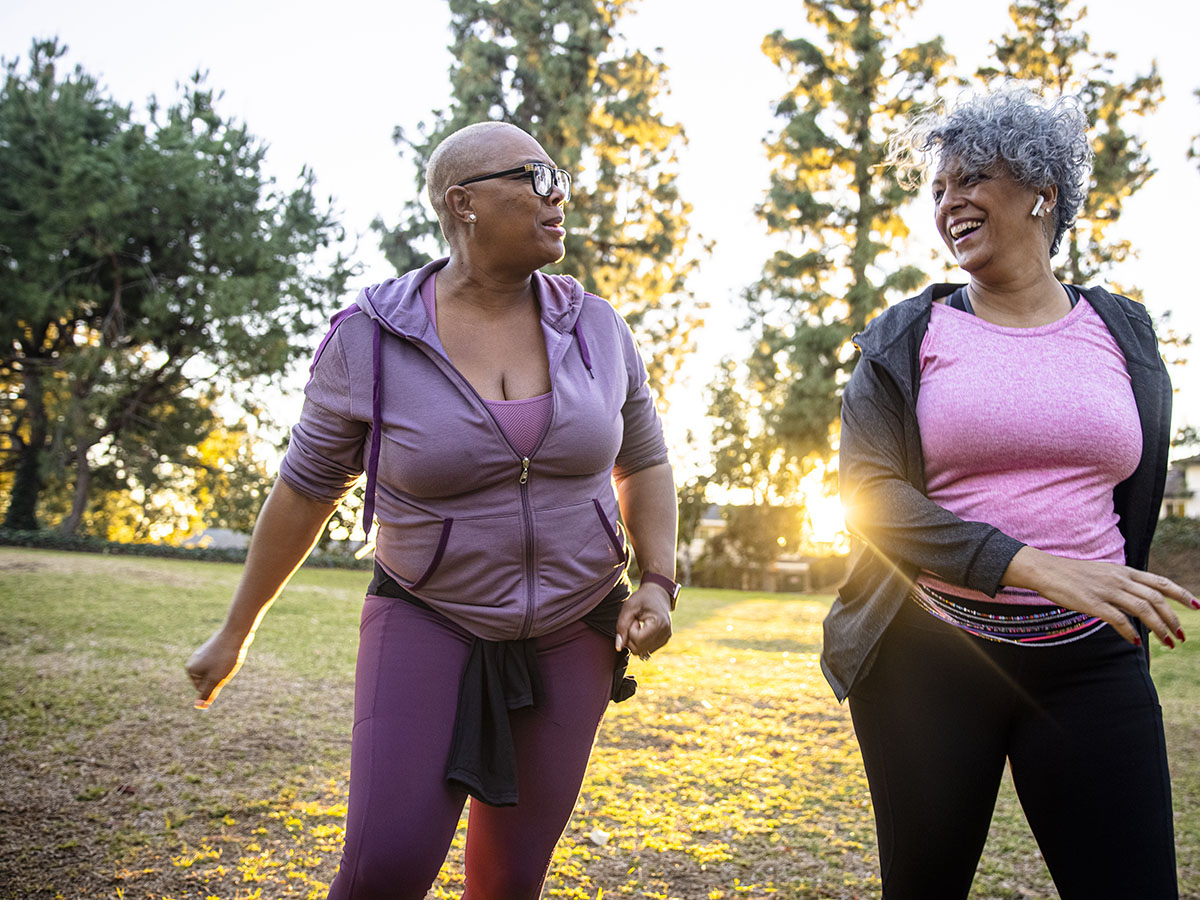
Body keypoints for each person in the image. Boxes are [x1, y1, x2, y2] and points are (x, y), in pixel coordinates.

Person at [185, 120, 680, 899]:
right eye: (537, 179)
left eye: (563, 181)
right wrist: (235, 630)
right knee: (384, 869)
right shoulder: (368, 340)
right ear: (464, 202)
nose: (561, 199)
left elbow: (644, 459)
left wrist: (657, 580)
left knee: (512, 878)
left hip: (574, 626)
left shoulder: (599, 328)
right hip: (427, 615)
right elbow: (307, 488)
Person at [822, 85, 1198, 899]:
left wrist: (1087, 579)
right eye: (938, 188)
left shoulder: (1124, 331)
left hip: (1093, 661)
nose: (948, 200)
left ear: (1042, 192)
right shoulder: (907, 336)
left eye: (971, 179)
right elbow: (871, 497)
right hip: (931, 660)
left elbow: (1129, 481)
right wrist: (1032, 564)